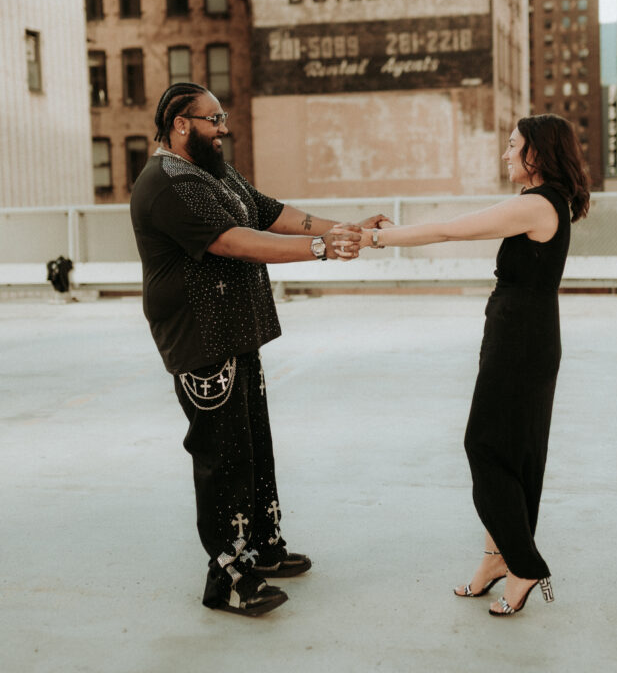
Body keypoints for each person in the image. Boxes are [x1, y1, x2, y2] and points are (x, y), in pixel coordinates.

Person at [130, 82, 389, 618]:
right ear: (181, 123)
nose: (223, 127)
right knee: (221, 455)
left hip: (236, 330)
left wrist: (342, 230)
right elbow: (231, 240)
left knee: (253, 444)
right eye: (212, 118)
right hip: (200, 338)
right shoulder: (164, 182)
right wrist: (319, 249)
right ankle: (227, 576)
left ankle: (262, 549)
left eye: (222, 116)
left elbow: (268, 212)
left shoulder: (214, 171)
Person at [347, 114, 590, 617]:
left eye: (512, 146)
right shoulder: (546, 204)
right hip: (521, 333)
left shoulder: (537, 205)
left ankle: (523, 564)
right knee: (511, 451)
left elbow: (446, 230)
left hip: (521, 340)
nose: (504, 154)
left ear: (536, 155)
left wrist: (373, 240)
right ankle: (493, 561)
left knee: (484, 446)